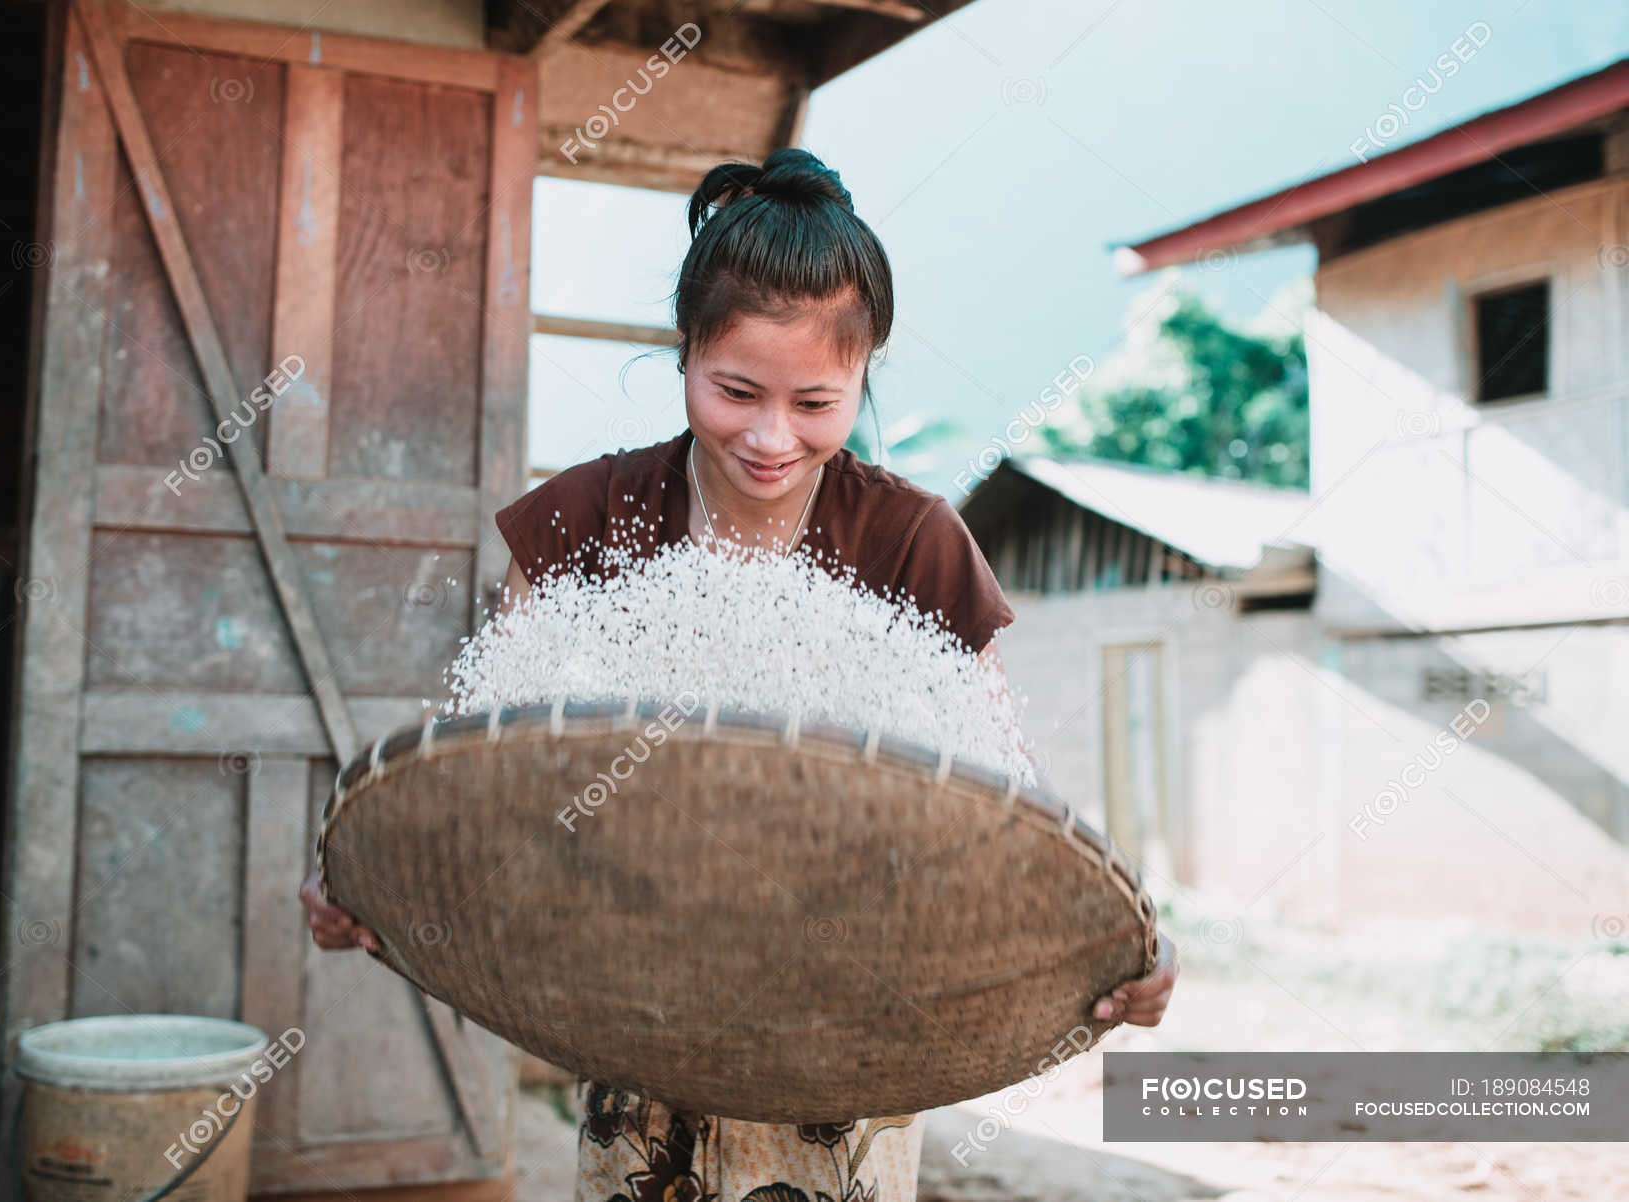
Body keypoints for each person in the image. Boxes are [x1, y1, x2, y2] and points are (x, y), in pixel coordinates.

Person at [299, 148, 1178, 1202]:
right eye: (736, 390)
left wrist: (1117, 944)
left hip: (853, 1021)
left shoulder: (913, 542)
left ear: (865, 377)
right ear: (684, 354)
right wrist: (374, 873)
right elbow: (486, 759)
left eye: (817, 401)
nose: (771, 437)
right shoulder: (588, 520)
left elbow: (1002, 797)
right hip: (635, 999)